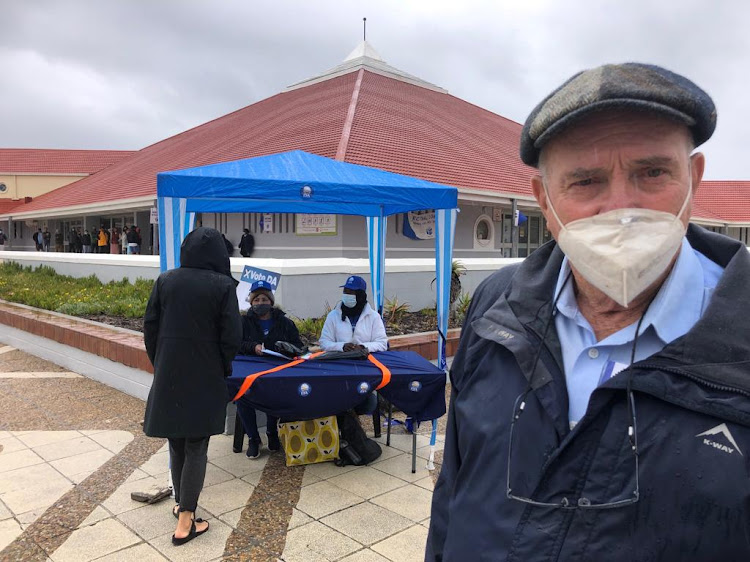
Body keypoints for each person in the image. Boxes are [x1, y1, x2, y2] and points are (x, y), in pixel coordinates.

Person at [426, 63, 750, 560]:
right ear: (544, 200)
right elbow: (456, 485)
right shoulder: (496, 305)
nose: (620, 208)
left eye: (653, 172)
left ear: (694, 178)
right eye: (585, 181)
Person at [143, 226, 241, 546]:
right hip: (205, 373)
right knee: (197, 443)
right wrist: (223, 367)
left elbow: (150, 328)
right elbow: (231, 337)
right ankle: (186, 521)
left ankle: (179, 505)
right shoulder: (223, 286)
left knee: (177, 440)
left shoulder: (166, 280)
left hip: (169, 371)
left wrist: (161, 362)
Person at [235, 279, 303, 458]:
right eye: (256, 300)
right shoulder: (243, 322)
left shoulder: (285, 322)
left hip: (276, 370)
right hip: (250, 369)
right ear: (251, 302)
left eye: (264, 300)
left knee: (276, 393)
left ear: (271, 302)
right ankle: (253, 438)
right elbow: (235, 344)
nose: (260, 303)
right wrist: (253, 347)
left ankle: (272, 432)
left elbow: (299, 346)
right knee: (242, 396)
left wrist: (285, 348)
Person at [319, 275, 388, 354]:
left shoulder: (373, 316)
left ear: (360, 296)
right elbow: (324, 343)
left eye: (351, 292)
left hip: (366, 362)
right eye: (345, 291)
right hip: (340, 361)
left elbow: (382, 343)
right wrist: (342, 346)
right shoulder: (333, 316)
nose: (346, 295)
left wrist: (363, 347)